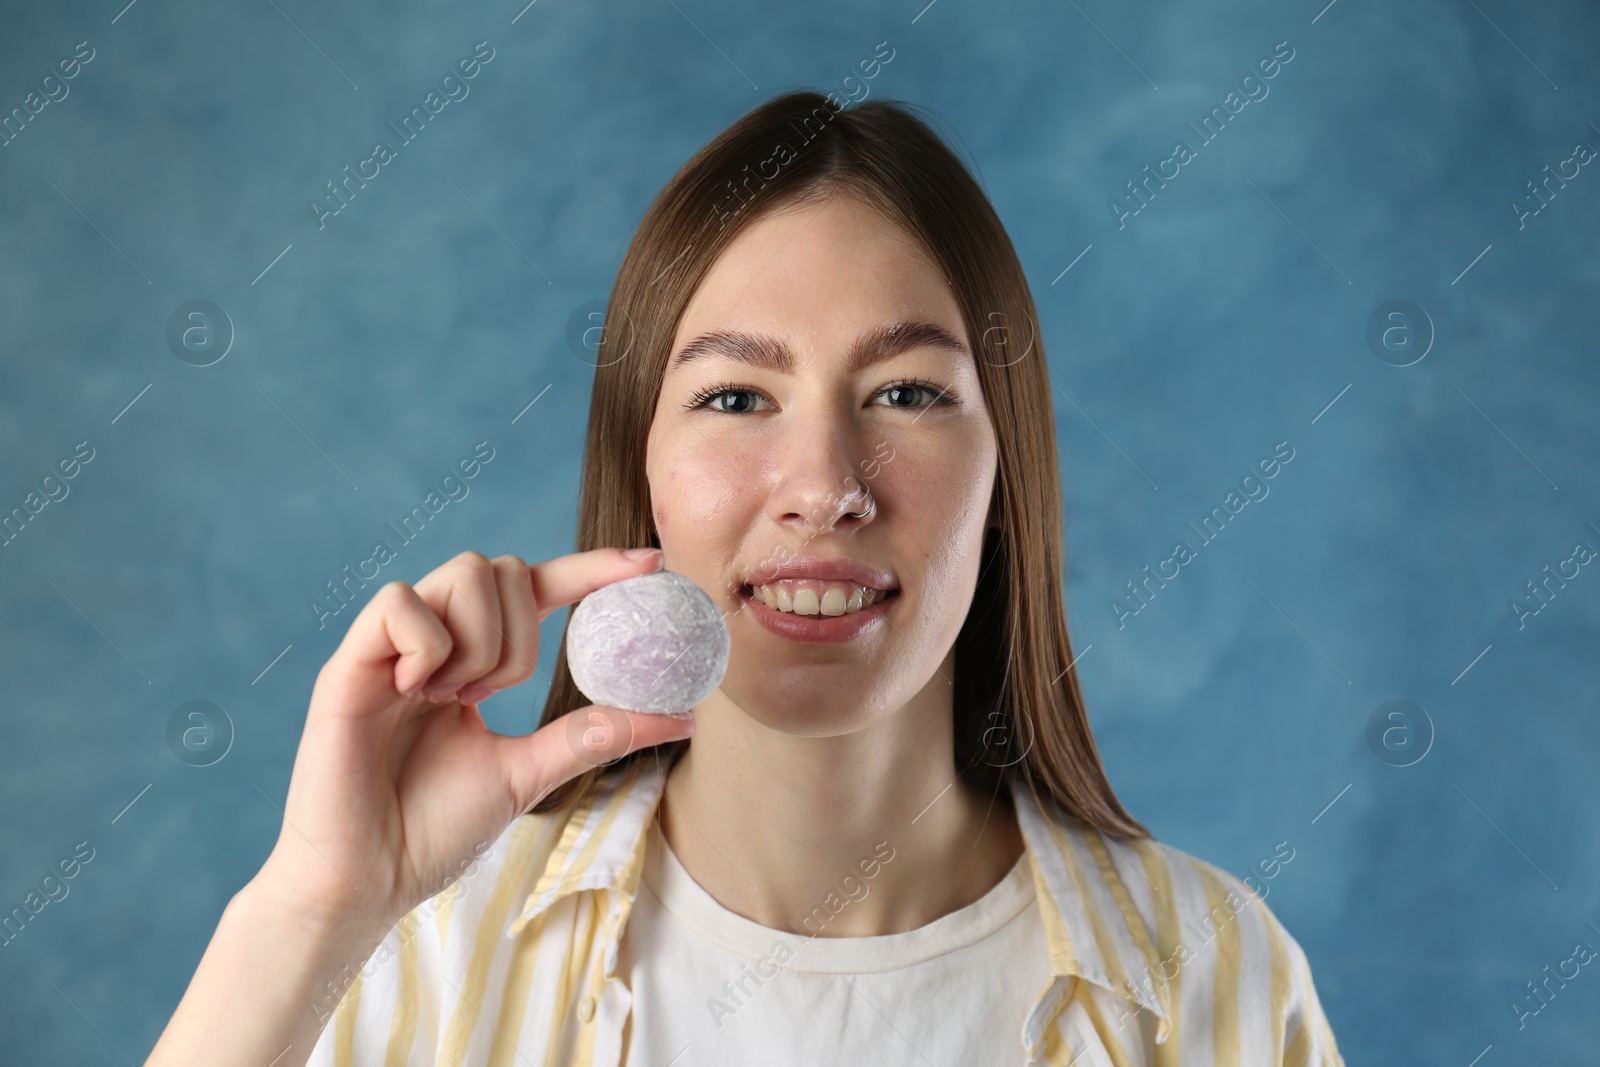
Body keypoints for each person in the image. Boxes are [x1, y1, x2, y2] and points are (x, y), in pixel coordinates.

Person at [144, 90, 1346, 1067]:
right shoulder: (419, 943)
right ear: (644, 471)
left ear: (1005, 472)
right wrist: (316, 908)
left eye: (908, 393)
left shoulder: (1215, 978)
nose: (824, 485)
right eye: (734, 397)